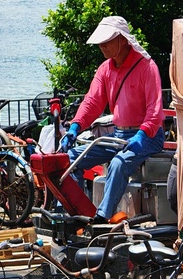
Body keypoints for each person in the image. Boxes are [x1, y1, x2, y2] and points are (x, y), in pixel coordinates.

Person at [59, 16, 165, 222]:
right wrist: (75, 126)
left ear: (122, 39)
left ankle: (101, 218)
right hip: (118, 135)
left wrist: (143, 134)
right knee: (71, 158)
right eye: (101, 42)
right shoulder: (105, 69)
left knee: (118, 163)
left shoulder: (146, 67)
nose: (102, 46)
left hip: (148, 137)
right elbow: (92, 102)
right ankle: (77, 213)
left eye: (107, 41)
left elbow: (155, 109)